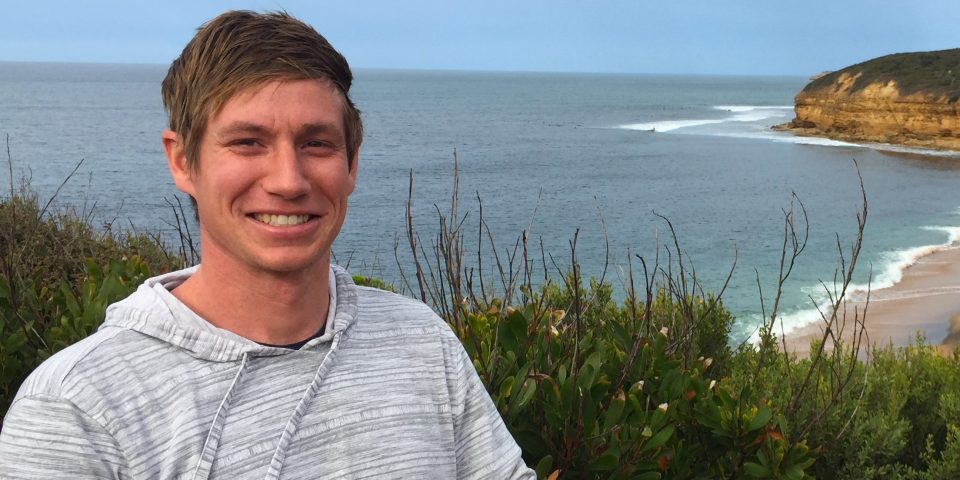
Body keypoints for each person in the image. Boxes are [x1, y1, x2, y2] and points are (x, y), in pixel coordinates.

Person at [0, 10, 535, 479]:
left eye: (316, 143)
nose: (288, 179)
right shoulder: (77, 406)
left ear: (352, 162)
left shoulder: (422, 342)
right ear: (183, 161)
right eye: (248, 142)